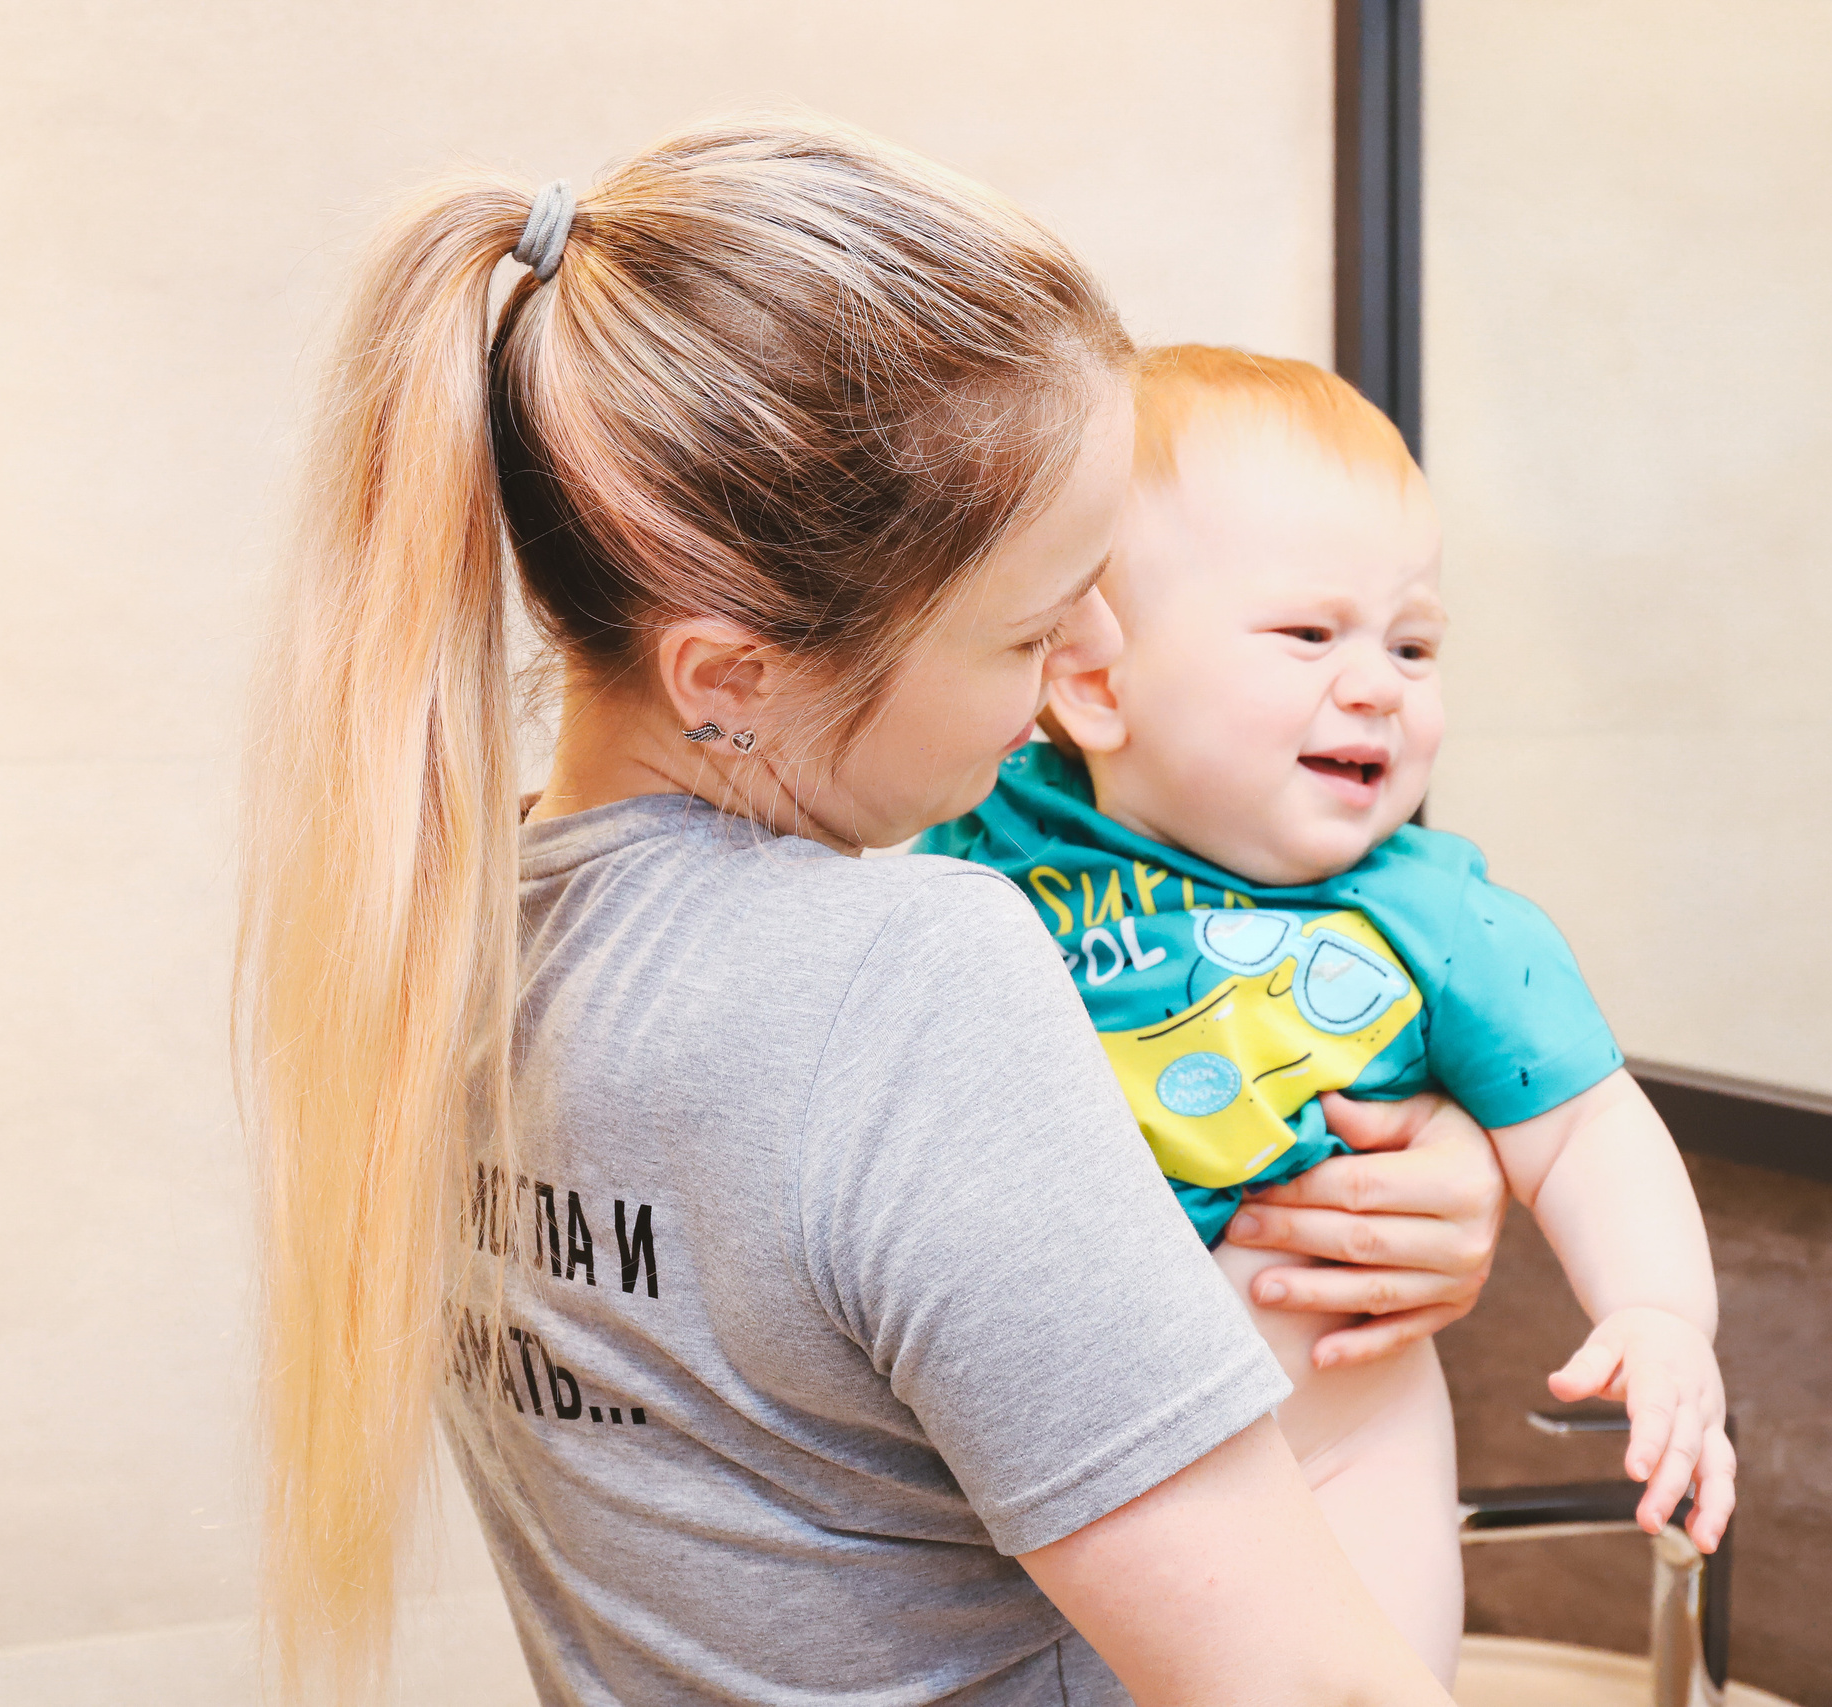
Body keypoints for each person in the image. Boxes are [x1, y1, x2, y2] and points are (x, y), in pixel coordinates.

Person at [238, 121, 1510, 1707]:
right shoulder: (904, 969)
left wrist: (1393, 1178)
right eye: (1032, 632)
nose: (1075, 685)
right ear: (734, 682)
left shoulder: (446, 937)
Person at [922, 346, 1737, 1680]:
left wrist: (1658, 1313)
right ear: (1091, 682)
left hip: (1342, 1447)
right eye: (1309, 634)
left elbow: (1588, 1129)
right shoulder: (979, 832)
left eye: (1413, 643)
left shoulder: (1437, 914)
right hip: (1056, 1477)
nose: (1378, 684)